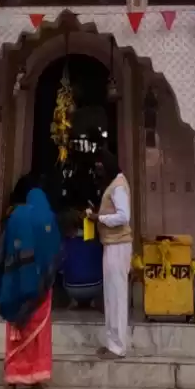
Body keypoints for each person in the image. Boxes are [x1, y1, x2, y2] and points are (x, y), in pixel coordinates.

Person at [0, 175, 62, 389]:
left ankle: (14, 374)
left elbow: (4, 248)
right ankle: (35, 376)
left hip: (15, 282)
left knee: (17, 329)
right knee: (38, 331)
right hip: (39, 287)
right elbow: (55, 251)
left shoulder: (15, 217)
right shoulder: (47, 217)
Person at [90, 150, 131, 358]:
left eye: (100, 167)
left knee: (117, 296)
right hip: (111, 244)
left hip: (119, 245)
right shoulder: (114, 184)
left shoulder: (118, 187)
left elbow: (124, 217)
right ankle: (112, 343)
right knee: (110, 295)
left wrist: (100, 218)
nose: (98, 171)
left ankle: (119, 346)